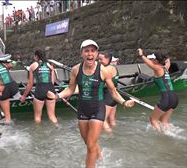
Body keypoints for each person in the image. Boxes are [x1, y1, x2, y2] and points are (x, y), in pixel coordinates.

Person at [47, 39, 135, 168]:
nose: (89, 54)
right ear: (81, 54)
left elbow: (113, 91)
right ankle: (99, 157)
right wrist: (57, 96)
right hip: (82, 110)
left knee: (90, 145)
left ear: (96, 54)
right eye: (86, 51)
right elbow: (70, 89)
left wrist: (123, 101)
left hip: (98, 109)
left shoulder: (103, 71)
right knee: (88, 143)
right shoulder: (76, 70)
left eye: (92, 51)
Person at [137, 48, 179, 132]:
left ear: (156, 60)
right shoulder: (165, 68)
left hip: (166, 98)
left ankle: (161, 137)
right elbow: (168, 60)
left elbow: (149, 64)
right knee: (164, 121)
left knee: (153, 120)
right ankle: (171, 135)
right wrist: (165, 56)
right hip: (174, 98)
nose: (151, 60)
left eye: (153, 59)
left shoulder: (158, 68)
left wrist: (141, 55)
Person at [20, 49, 58, 126]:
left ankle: (38, 134)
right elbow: (52, 82)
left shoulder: (33, 65)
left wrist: (24, 96)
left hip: (40, 90)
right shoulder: (50, 66)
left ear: (36, 57)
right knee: (52, 116)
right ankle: (57, 127)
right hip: (50, 90)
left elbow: (30, 84)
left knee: (37, 117)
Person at [98, 53, 119, 133]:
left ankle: (110, 137)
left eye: (101, 59)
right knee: (111, 120)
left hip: (108, 96)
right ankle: (115, 134)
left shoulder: (107, 69)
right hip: (114, 96)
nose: (99, 61)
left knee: (102, 120)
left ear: (108, 59)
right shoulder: (113, 68)